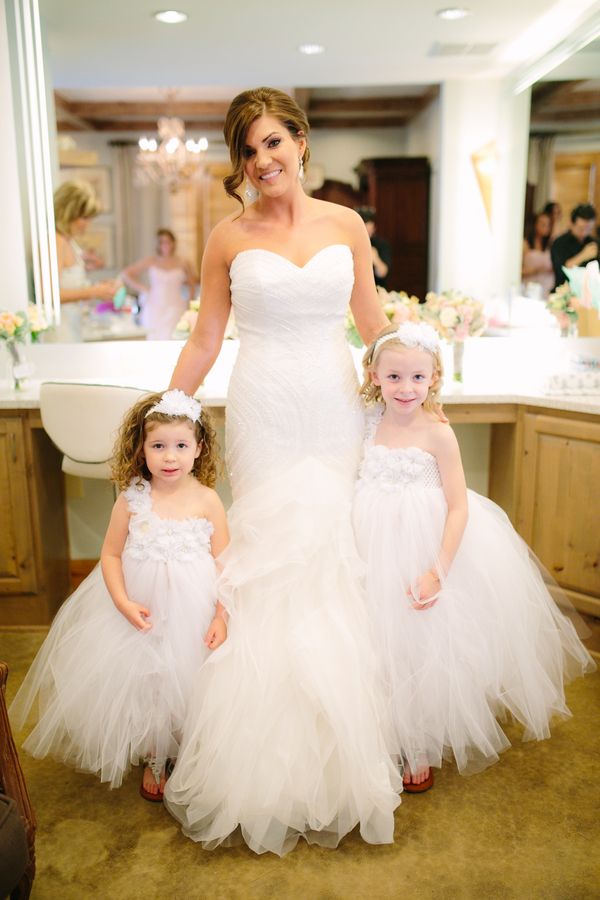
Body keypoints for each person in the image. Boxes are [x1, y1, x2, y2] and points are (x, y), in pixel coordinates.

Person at [163, 87, 402, 856]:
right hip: (262, 407)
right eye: (248, 149)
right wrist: (172, 407)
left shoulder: (346, 223)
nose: (262, 160)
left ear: (300, 141)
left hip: (334, 404)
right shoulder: (227, 237)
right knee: (265, 556)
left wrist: (415, 385)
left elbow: (370, 321)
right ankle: (251, 749)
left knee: (335, 552)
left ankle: (346, 741)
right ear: (239, 162)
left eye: (273, 142)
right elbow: (206, 335)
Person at [352, 322, 596, 793]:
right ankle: (382, 732)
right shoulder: (366, 423)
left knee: (419, 644)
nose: (406, 388)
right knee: (374, 642)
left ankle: (418, 740)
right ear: (374, 375)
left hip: (424, 547)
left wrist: (438, 570)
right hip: (370, 542)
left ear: (435, 378)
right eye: (395, 376)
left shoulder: (439, 434)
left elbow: (458, 504)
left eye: (418, 377)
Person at [10, 389, 229, 801]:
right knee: (147, 682)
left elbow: (225, 564)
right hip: (140, 608)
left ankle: (183, 746)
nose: (169, 457)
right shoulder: (131, 501)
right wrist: (123, 601)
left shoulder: (207, 501)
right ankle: (154, 754)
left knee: (189, 677)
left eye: (181, 446)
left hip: (195, 609)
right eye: (158, 446)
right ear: (141, 449)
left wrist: (221, 615)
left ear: (199, 449)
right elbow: (110, 554)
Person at [53, 180, 120, 340]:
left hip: (74, 324)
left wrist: (99, 288)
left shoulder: (69, 242)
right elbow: (50, 296)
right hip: (61, 329)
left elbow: (72, 284)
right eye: (84, 217)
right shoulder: (56, 242)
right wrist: (95, 292)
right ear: (68, 212)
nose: (87, 224)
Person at [121, 229, 198, 339]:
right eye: (162, 242)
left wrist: (190, 305)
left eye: (168, 241)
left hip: (175, 307)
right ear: (158, 244)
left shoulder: (183, 262)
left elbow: (192, 285)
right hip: (154, 306)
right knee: (154, 337)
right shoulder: (151, 261)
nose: (165, 245)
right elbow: (126, 274)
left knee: (174, 337)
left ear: (173, 243)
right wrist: (143, 288)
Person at [550, 203, 598, 289]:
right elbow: (561, 272)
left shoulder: (594, 243)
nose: (584, 233)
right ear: (572, 223)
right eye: (581, 228)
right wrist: (583, 255)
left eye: (589, 229)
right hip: (563, 291)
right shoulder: (560, 243)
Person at [356, 206, 392, 288]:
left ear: (374, 229)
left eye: (368, 232)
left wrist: (375, 258)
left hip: (375, 289)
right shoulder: (348, 244)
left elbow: (382, 273)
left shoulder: (381, 244)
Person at [521, 211, 553, 298]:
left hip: (547, 288)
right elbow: (516, 271)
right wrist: (535, 270)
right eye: (543, 224)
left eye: (548, 224)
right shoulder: (525, 244)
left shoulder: (551, 245)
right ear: (535, 224)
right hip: (529, 286)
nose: (546, 227)